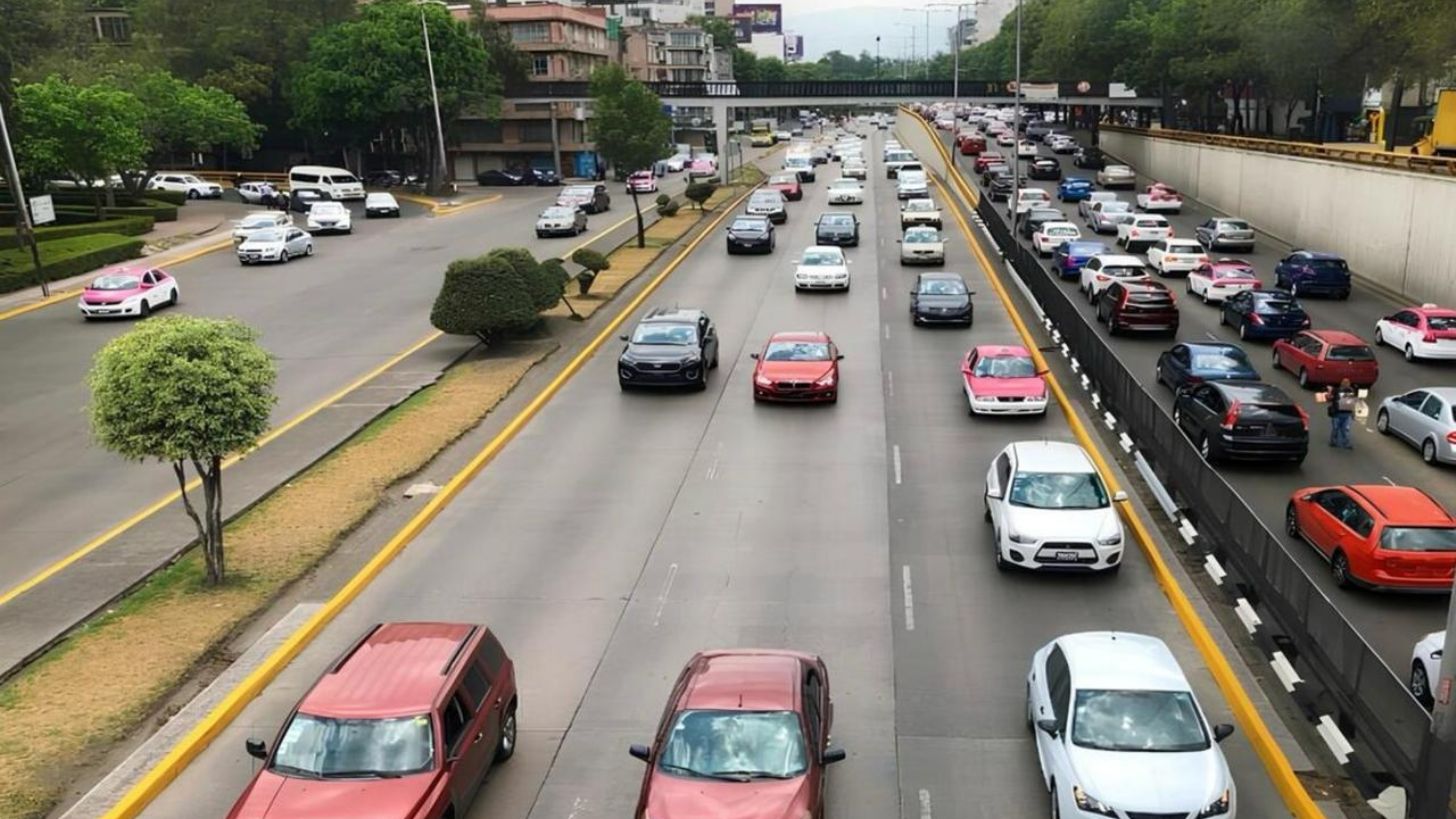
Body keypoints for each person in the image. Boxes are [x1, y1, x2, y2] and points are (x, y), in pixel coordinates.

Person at [1324, 377, 1358, 449]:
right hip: (1339, 413)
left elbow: (1352, 403)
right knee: (1339, 429)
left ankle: (1340, 442)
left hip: (1342, 414)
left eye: (1347, 383)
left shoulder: (1349, 391)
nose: (1346, 384)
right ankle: (1337, 442)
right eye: (1345, 383)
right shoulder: (1338, 390)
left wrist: (1353, 413)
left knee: (1341, 429)